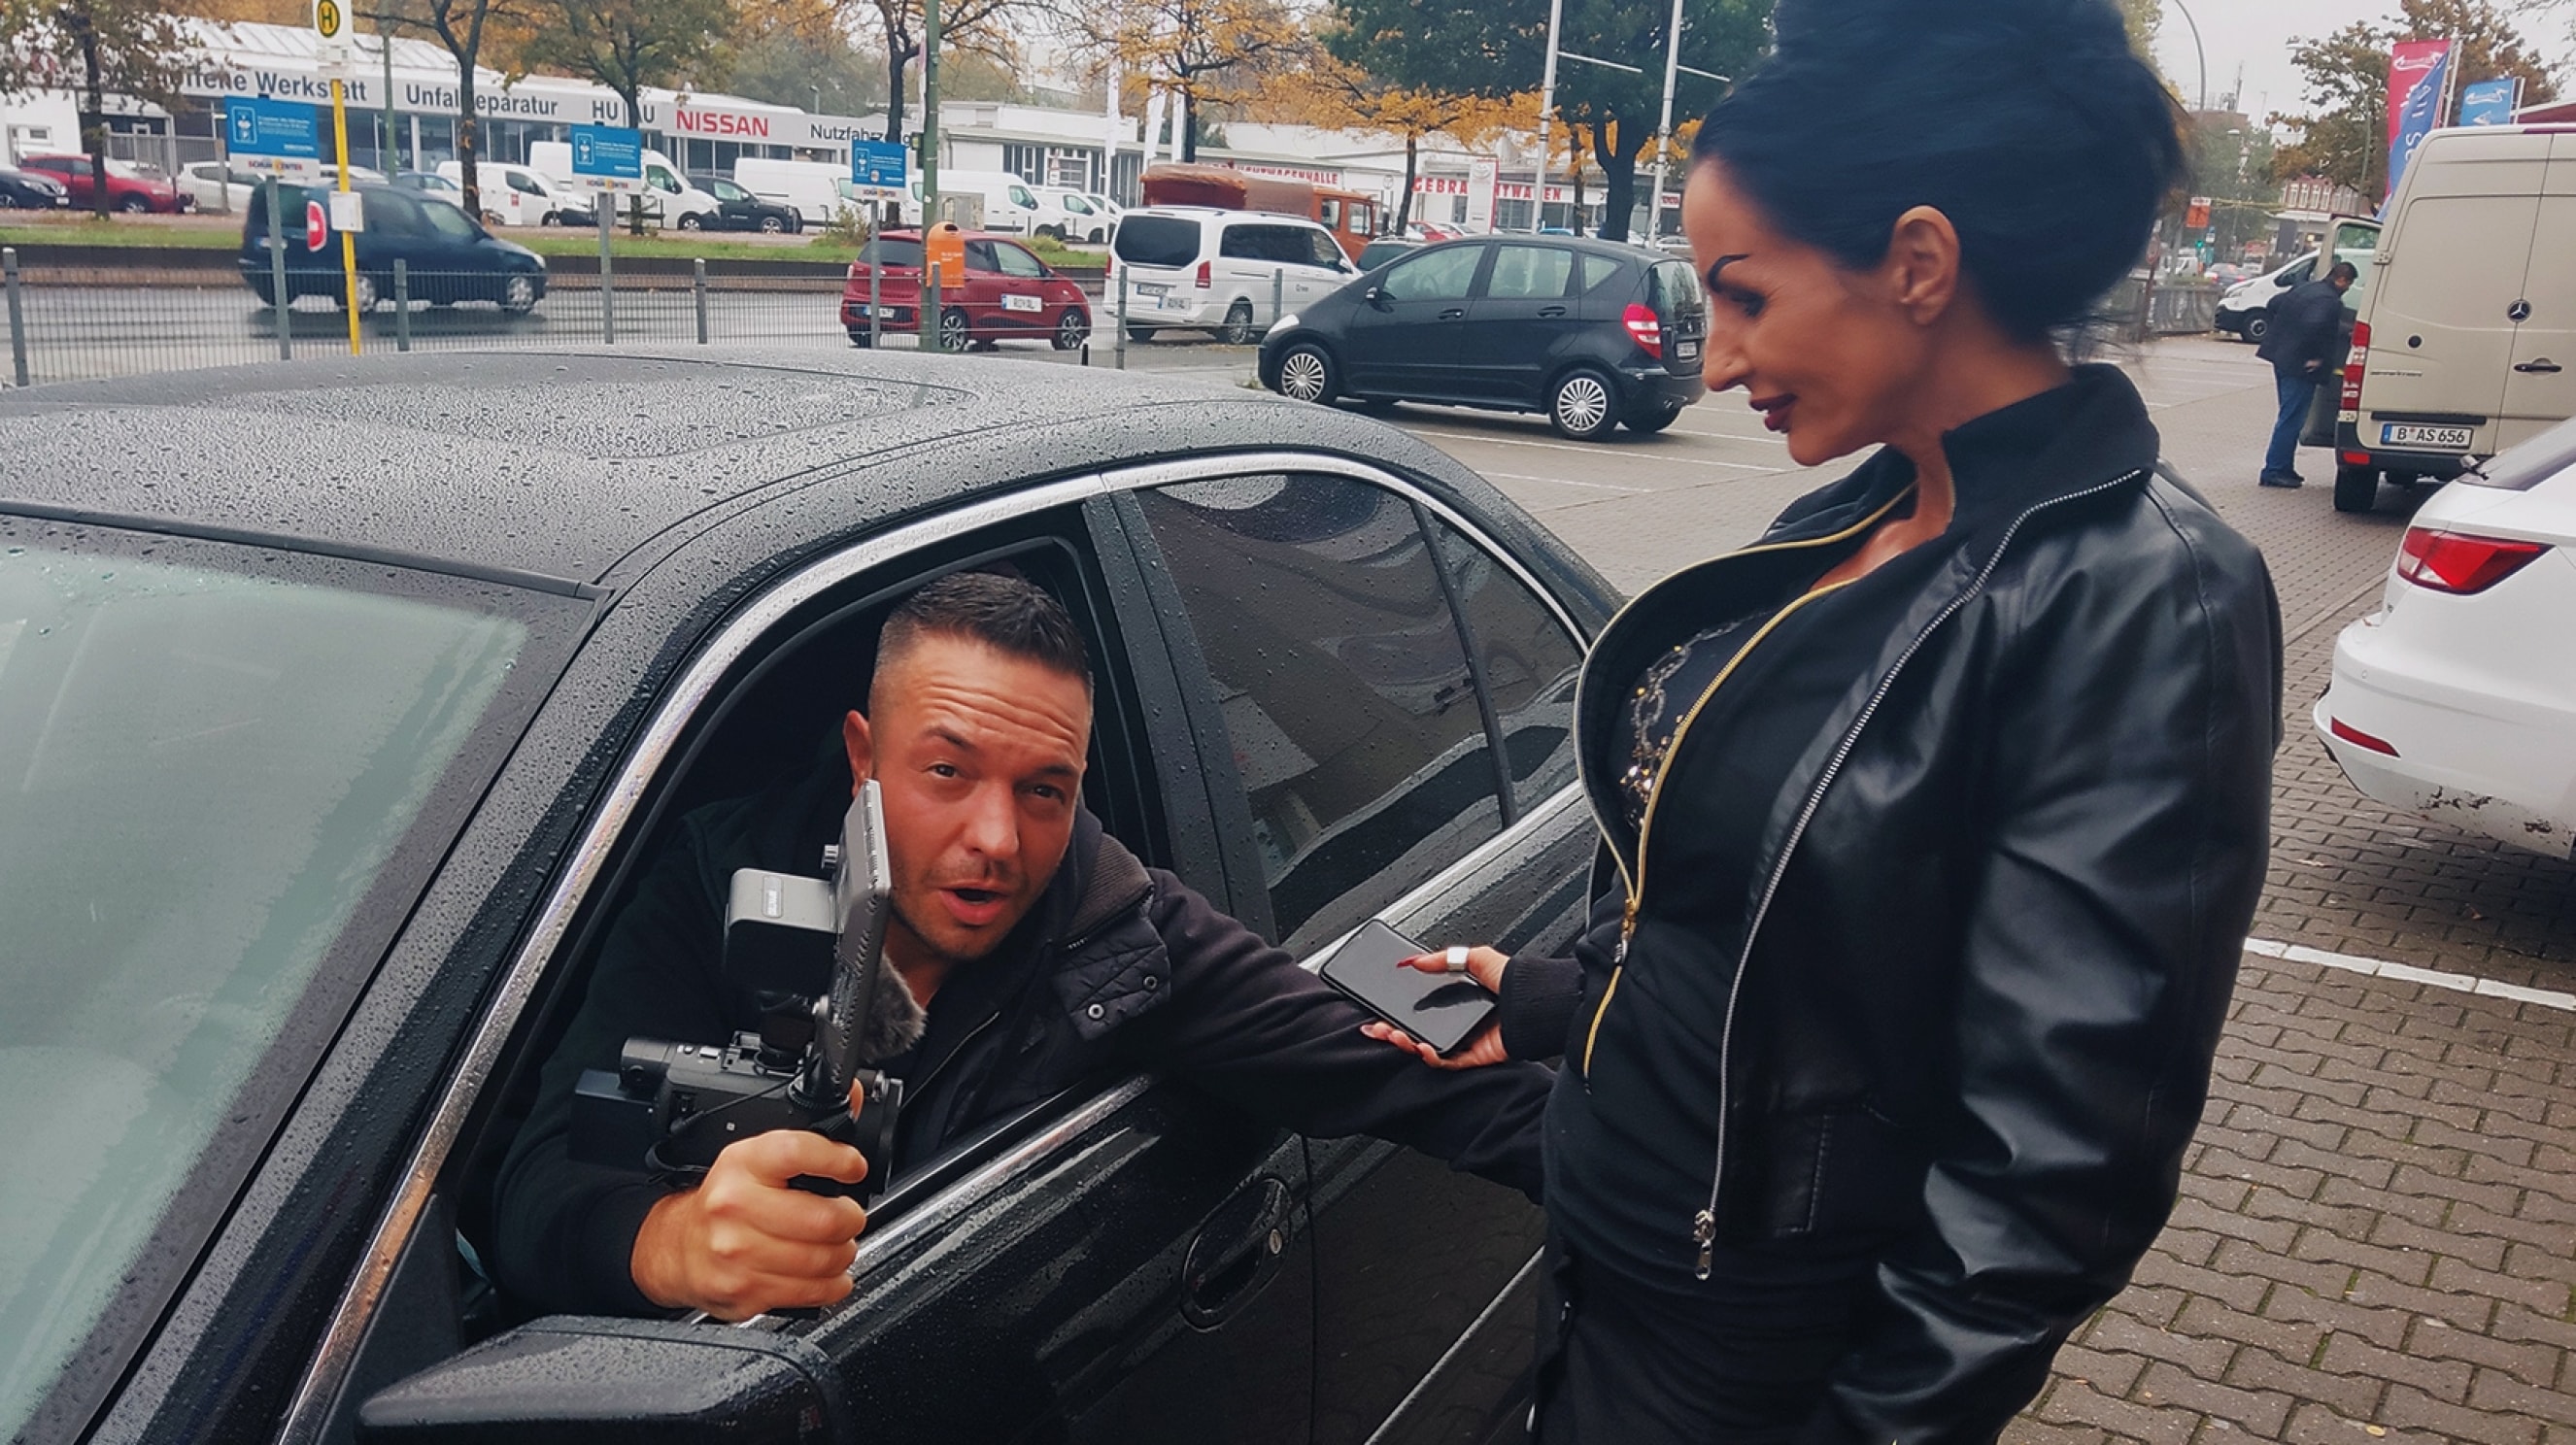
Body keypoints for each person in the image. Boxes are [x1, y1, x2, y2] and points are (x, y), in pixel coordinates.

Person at [1362, 0, 2284, 1439]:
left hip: (1757, 1361)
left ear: (1917, 262)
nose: (1716, 362)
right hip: (1607, 1258)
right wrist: (1554, 1000)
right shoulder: (1852, 515)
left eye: (1743, 294)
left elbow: (2055, 1168)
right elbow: (1760, 922)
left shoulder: (2144, 597)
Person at [490, 571, 1550, 1321]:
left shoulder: (1124, 930)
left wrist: (1610, 1044)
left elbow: (1439, 1086)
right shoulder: (714, 880)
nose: (997, 840)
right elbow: (533, 1180)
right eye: (947, 772)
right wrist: (667, 1244)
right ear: (864, 756)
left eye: (1045, 790)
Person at [2255, 259, 2359, 487]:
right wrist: (2315, 357)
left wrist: (2285, 331)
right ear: (2341, 280)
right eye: (2349, 284)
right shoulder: (2330, 301)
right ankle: (2274, 470)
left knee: (2288, 415)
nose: (2347, 288)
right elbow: (2315, 324)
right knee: (2291, 418)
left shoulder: (2306, 288)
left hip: (2281, 357)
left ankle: (2283, 466)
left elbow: (2274, 304)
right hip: (2301, 366)